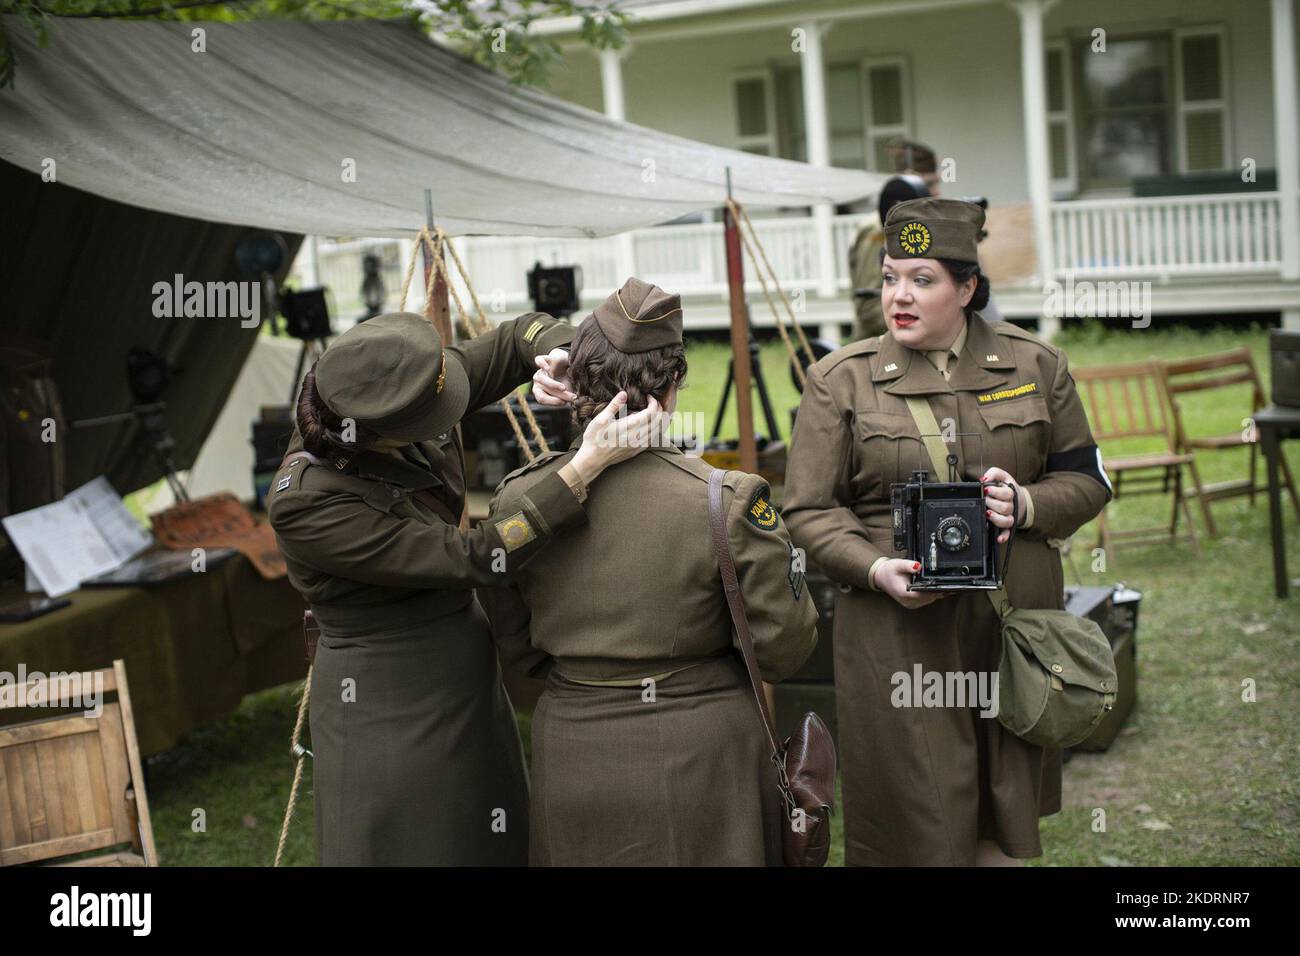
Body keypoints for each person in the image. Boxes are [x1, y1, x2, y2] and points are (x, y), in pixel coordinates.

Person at [267, 309, 664, 866]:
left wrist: (562, 358)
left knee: (488, 830)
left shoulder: (396, 385)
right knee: (412, 842)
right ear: (380, 430)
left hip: (462, 668)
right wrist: (583, 468)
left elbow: (516, 336)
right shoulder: (308, 502)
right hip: (385, 693)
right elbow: (478, 555)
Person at [783, 198, 1112, 866]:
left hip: (1011, 627)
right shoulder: (839, 381)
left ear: (966, 288)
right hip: (898, 633)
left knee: (1003, 798)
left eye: (922, 280)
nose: (899, 297)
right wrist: (875, 569)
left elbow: (1087, 483)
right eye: (889, 277)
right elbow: (809, 510)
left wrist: (1024, 505)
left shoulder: (1035, 366)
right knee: (919, 810)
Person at [479, 278, 819, 867]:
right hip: (704, 754)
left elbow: (514, 646)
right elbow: (784, 648)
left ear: (575, 386)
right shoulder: (729, 499)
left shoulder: (517, 501)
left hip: (573, 744)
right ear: (672, 388)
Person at [849, 137, 942, 342]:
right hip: (879, 351)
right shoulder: (877, 229)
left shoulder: (923, 225)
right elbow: (869, 309)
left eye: (937, 183)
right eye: (928, 184)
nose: (936, 192)